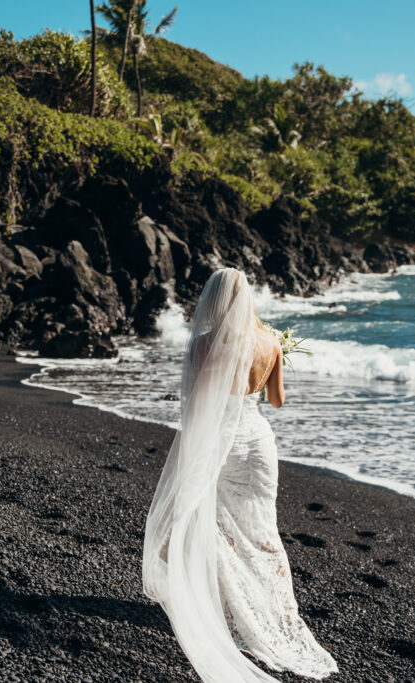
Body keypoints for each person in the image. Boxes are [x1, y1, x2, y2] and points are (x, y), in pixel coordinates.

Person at [142, 268, 338, 682]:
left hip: (223, 440)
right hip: (259, 444)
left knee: (206, 518)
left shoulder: (203, 344)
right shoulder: (270, 342)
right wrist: (271, 362)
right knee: (263, 529)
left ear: (215, 301)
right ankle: (278, 614)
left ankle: (218, 607)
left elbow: (197, 406)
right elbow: (278, 401)